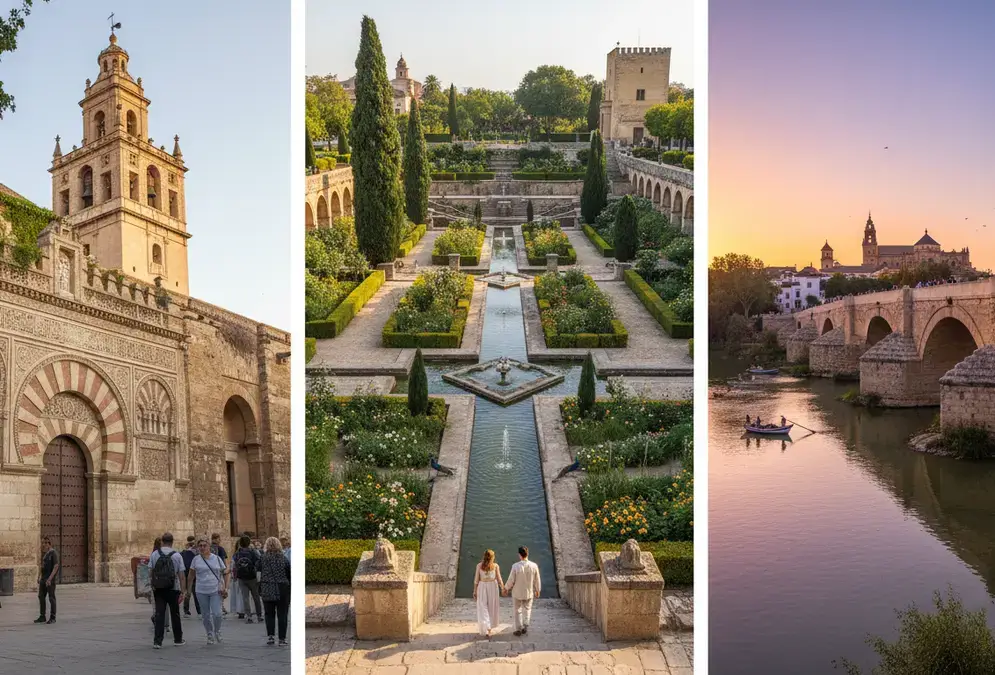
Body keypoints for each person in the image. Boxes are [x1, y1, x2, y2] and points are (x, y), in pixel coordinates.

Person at [149, 532, 186, 649]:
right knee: (175, 614)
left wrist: (153, 584)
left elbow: (150, 571)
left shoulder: (155, 554)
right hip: (173, 588)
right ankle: (178, 639)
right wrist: (183, 591)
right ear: (172, 542)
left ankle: (157, 641)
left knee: (159, 614)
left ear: (162, 541)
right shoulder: (177, 555)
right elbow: (181, 575)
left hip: (159, 588)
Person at [188, 537, 228, 645]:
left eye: (204, 545)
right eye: (200, 546)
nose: (202, 548)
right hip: (201, 590)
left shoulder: (217, 559)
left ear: (209, 546)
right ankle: (209, 633)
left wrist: (226, 587)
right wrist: (188, 589)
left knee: (217, 614)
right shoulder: (196, 559)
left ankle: (217, 630)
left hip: (215, 589)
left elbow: (225, 572)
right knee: (205, 614)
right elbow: (191, 575)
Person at [259, 536, 291, 646]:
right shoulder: (284, 558)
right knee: (282, 614)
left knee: (269, 614)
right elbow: (289, 574)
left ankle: (271, 637)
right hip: (282, 588)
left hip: (267, 587)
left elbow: (258, 572)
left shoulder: (262, 558)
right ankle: (282, 639)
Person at [503, 545, 541, 637]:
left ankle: (518, 629)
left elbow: (511, 580)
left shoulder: (515, 566)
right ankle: (526, 625)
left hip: (517, 592)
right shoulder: (534, 565)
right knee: (527, 609)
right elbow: (537, 579)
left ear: (519, 555)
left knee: (517, 611)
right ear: (527, 554)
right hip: (529, 592)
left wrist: (506, 588)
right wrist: (538, 590)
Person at [473, 549, 505, 638]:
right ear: (493, 557)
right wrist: (503, 588)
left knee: (483, 607)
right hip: (492, 587)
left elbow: (476, 580)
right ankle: (488, 628)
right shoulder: (495, 566)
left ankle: (487, 627)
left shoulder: (479, 565)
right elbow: (499, 579)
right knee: (491, 607)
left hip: (482, 586)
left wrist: (475, 591)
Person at [232, 535, 263, 623]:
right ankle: (259, 615)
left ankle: (249, 617)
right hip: (252, 577)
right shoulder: (253, 551)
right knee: (256, 597)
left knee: (245, 597)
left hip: (241, 577)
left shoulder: (237, 553)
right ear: (249, 543)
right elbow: (259, 561)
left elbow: (234, 564)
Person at [35, 536, 59, 624]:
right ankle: (42, 616)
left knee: (51, 597)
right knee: (41, 597)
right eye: (43, 543)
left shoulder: (53, 553)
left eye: (45, 543)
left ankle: (53, 617)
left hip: (49, 580)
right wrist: (39, 576)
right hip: (43, 579)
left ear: (49, 544)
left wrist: (50, 578)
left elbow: (56, 566)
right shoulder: (45, 554)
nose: (43, 545)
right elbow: (42, 566)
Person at [180, 536, 200, 617]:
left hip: (185, 574)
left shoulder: (183, 552)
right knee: (195, 593)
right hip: (193, 575)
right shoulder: (196, 553)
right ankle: (199, 611)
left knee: (187, 593)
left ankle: (186, 611)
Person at [210, 533, 228, 615]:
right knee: (220, 589)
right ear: (215, 539)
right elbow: (223, 561)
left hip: (209, 571)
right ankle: (221, 606)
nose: (219, 540)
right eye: (218, 539)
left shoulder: (208, 548)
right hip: (218, 572)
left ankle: (213, 607)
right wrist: (225, 571)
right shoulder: (220, 549)